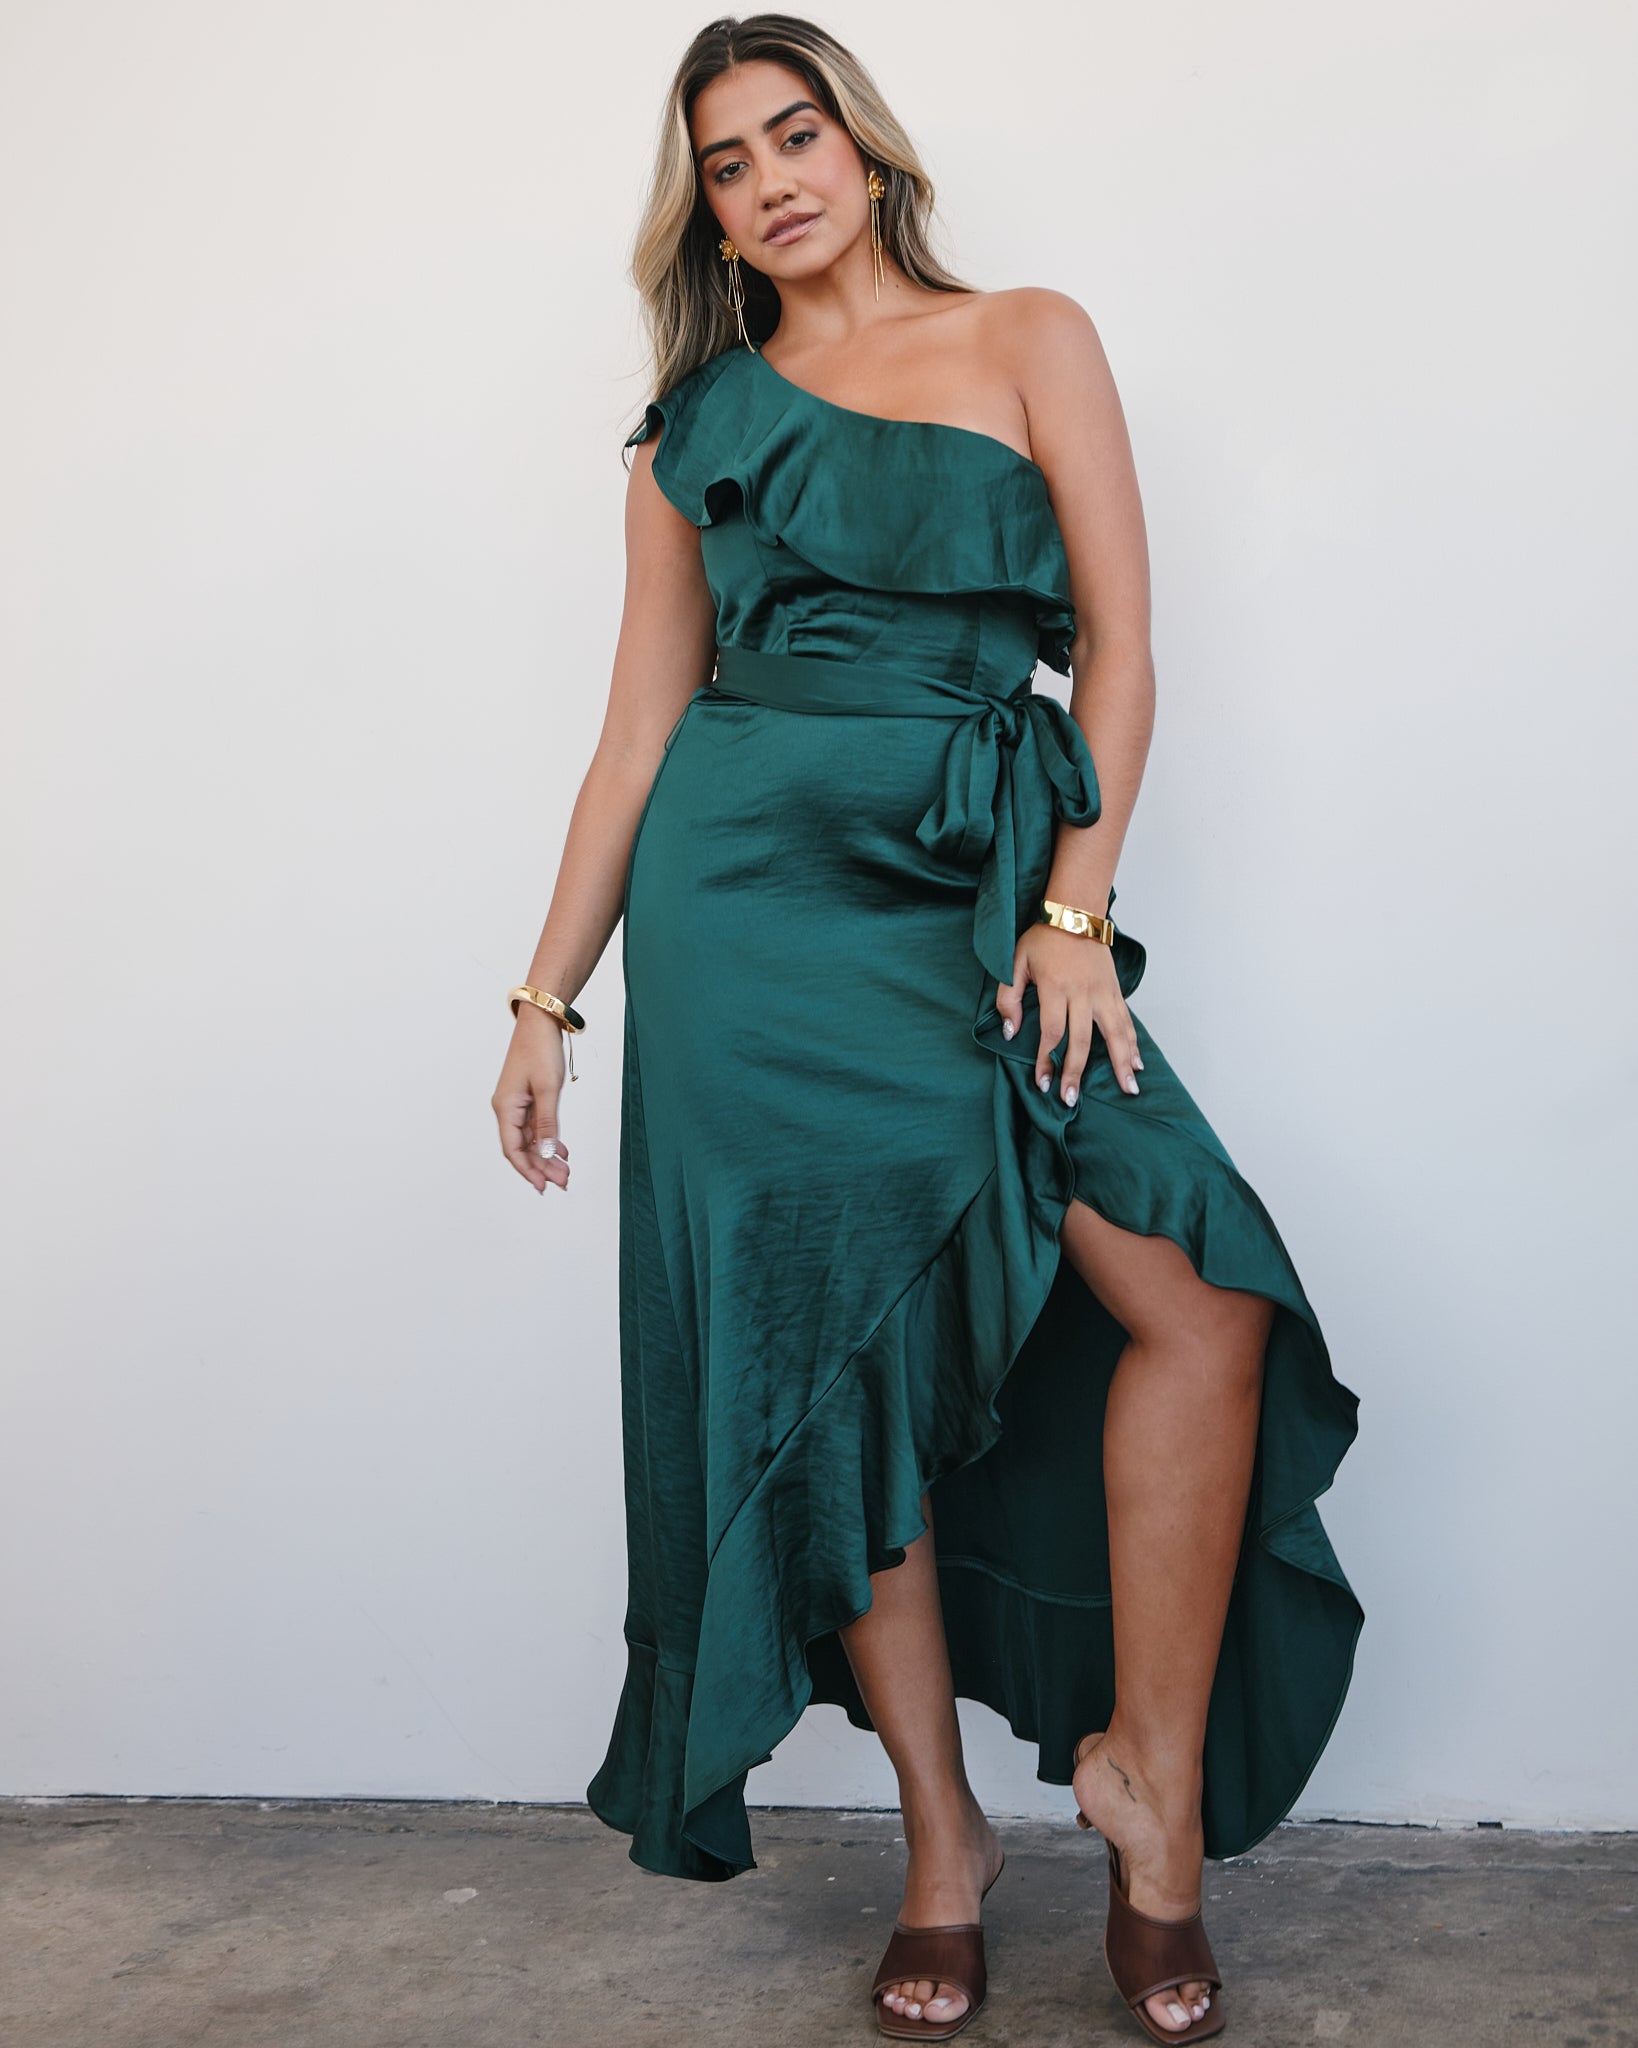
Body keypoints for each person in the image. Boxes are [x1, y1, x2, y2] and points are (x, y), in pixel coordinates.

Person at [491, 15, 1363, 2043]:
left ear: (866, 151)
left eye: (795, 134)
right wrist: (545, 994)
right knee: (832, 1357)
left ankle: (1148, 1789)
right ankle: (939, 1839)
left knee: (1198, 1297)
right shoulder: (698, 428)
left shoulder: (1030, 335)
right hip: (749, 928)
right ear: (707, 215)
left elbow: (1124, 650)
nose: (770, 180)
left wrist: (1072, 911)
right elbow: (635, 737)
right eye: (727, 164)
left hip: (982, 895)